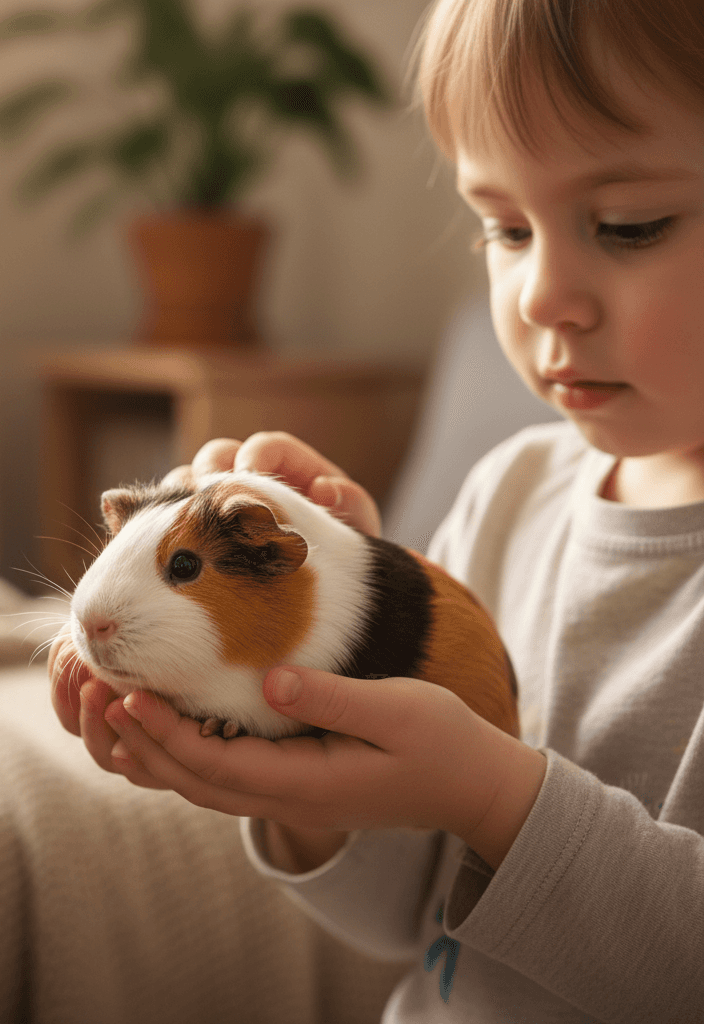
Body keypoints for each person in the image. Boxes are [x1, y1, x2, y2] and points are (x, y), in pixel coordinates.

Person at [49, 0, 704, 1017]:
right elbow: (409, 916)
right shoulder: (508, 497)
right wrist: (298, 741)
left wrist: (494, 795)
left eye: (629, 225)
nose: (538, 295)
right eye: (505, 226)